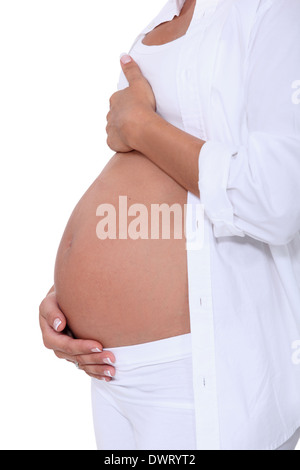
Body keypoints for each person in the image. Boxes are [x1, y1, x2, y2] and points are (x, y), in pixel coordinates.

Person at [39, 0, 300, 450]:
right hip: (111, 373)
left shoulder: (273, 11)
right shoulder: (154, 27)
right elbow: (138, 178)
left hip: (199, 368)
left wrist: (138, 124)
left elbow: (275, 198)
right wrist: (65, 304)